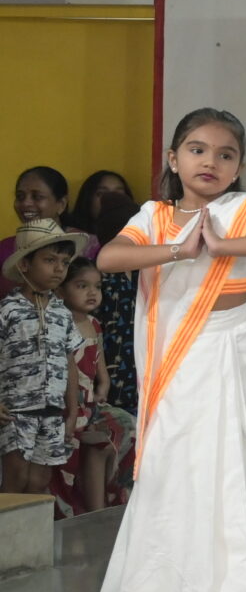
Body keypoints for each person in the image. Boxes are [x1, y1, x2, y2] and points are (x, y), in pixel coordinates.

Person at [93, 109, 246, 592]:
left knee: (233, 476)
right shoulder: (155, 216)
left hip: (230, 354)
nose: (210, 161)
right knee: (174, 476)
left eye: (225, 154)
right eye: (197, 149)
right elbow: (110, 258)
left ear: (237, 167)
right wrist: (178, 250)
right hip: (176, 366)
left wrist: (221, 245)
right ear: (173, 159)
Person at [1, 217, 79, 498]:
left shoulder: (63, 313)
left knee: (39, 481)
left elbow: (69, 362)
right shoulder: (8, 310)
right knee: (16, 477)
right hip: (15, 411)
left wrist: (72, 411)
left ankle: (32, 530)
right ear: (24, 264)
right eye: (49, 260)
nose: (59, 268)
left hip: (53, 412)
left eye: (64, 262)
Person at [65, 171, 140, 428]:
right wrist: (102, 379)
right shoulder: (96, 274)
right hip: (105, 374)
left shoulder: (143, 272)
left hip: (139, 371)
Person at [62, 256, 135, 515]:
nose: (92, 292)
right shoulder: (61, 323)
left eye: (97, 286)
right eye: (82, 286)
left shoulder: (94, 324)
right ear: (61, 289)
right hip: (69, 405)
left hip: (91, 403)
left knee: (127, 425)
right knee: (97, 439)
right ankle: (94, 510)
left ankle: (114, 502)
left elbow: (100, 368)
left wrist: (102, 388)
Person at [0, 167, 93, 273]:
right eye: (20, 196)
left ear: (61, 204)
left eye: (37, 197)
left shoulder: (87, 246)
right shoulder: (5, 248)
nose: (25, 203)